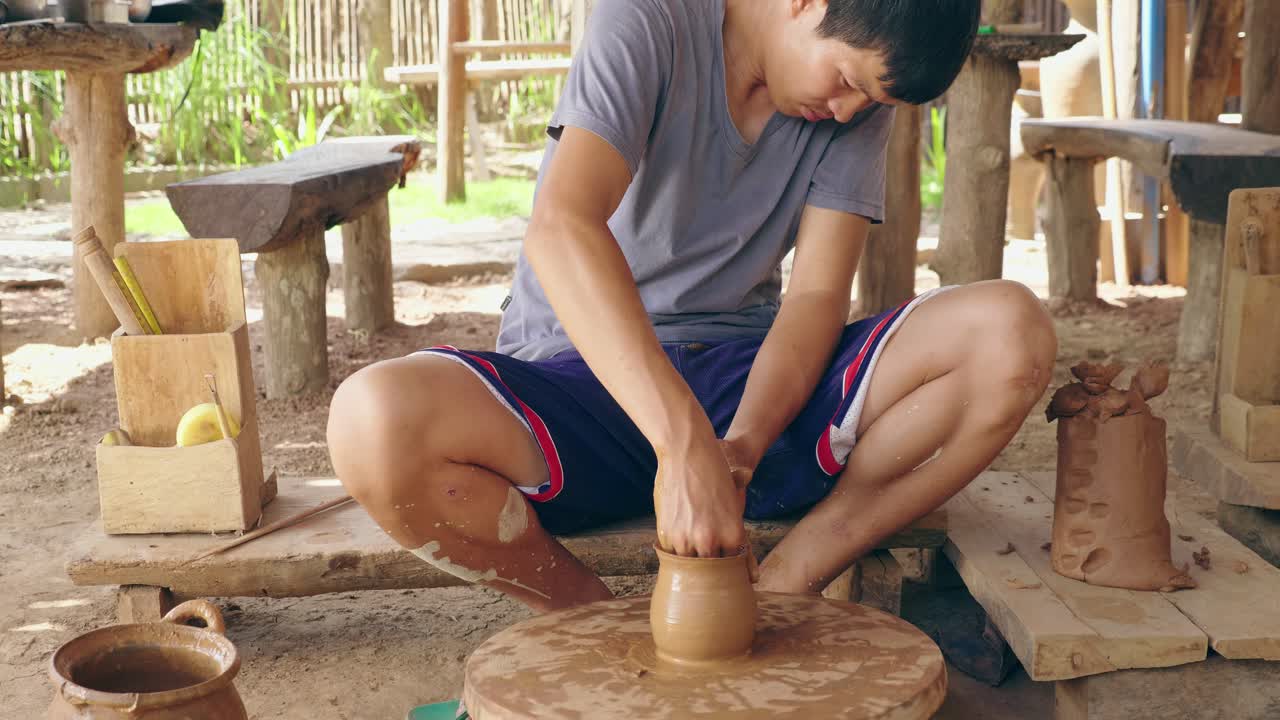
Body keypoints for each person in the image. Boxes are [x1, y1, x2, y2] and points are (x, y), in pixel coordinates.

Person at [328, 0, 1057, 612]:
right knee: (372, 419)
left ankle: (786, 583)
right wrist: (681, 445)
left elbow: (813, 300)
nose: (848, 110)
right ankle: (591, 621)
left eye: (870, 99)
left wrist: (736, 445)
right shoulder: (647, 21)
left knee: (1009, 333)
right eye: (845, 80)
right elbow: (562, 226)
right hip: (585, 383)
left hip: (752, 386)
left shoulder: (853, 107)